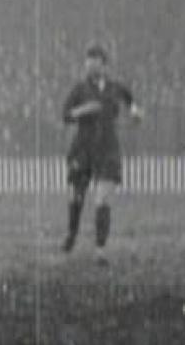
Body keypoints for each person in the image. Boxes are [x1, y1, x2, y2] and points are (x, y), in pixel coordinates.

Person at [60, 45, 144, 263]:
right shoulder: (79, 89)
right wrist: (83, 110)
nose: (90, 68)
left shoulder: (116, 88)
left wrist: (136, 113)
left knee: (102, 199)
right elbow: (65, 115)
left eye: (94, 64)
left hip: (107, 148)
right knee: (77, 196)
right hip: (83, 148)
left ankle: (100, 249)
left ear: (104, 65)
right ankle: (72, 232)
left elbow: (131, 102)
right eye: (87, 64)